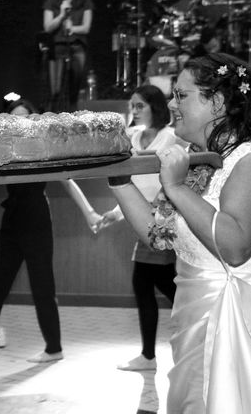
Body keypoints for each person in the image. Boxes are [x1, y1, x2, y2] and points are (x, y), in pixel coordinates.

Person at [108, 52, 251, 412]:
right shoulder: (193, 160)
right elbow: (158, 235)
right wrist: (119, 180)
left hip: (242, 330)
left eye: (181, 95)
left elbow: (236, 246)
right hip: (192, 324)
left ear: (216, 101)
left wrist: (177, 188)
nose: (172, 103)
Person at [0, 98, 102, 364]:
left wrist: (89, 213)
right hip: (12, 219)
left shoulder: (42, 147)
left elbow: (67, 180)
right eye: (14, 117)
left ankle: (54, 349)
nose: (19, 122)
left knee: (43, 287)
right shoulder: (3, 148)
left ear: (34, 119)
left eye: (25, 117)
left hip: (37, 219)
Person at [98, 85, 178, 372]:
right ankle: (149, 354)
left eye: (140, 105)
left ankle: (152, 354)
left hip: (164, 221)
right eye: (132, 105)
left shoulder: (171, 138)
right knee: (156, 284)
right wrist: (117, 214)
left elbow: (167, 185)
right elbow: (131, 187)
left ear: (155, 107)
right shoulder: (131, 137)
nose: (134, 110)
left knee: (151, 284)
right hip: (141, 220)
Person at [42, 0, 94, 112]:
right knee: (55, 90)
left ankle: (72, 116)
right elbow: (47, 27)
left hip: (76, 46)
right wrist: (61, 15)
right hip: (57, 46)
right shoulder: (52, 1)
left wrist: (72, 28)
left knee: (74, 89)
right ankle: (53, 116)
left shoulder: (85, 2)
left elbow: (86, 27)